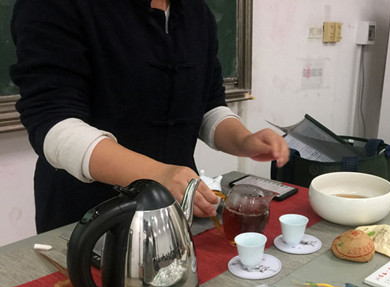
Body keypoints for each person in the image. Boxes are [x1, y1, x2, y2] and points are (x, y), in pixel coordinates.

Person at [10, 0, 289, 233]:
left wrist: (243, 140)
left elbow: (208, 105)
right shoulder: (56, 6)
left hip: (172, 212)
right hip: (86, 217)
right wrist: (156, 174)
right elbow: (54, 124)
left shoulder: (196, 13)